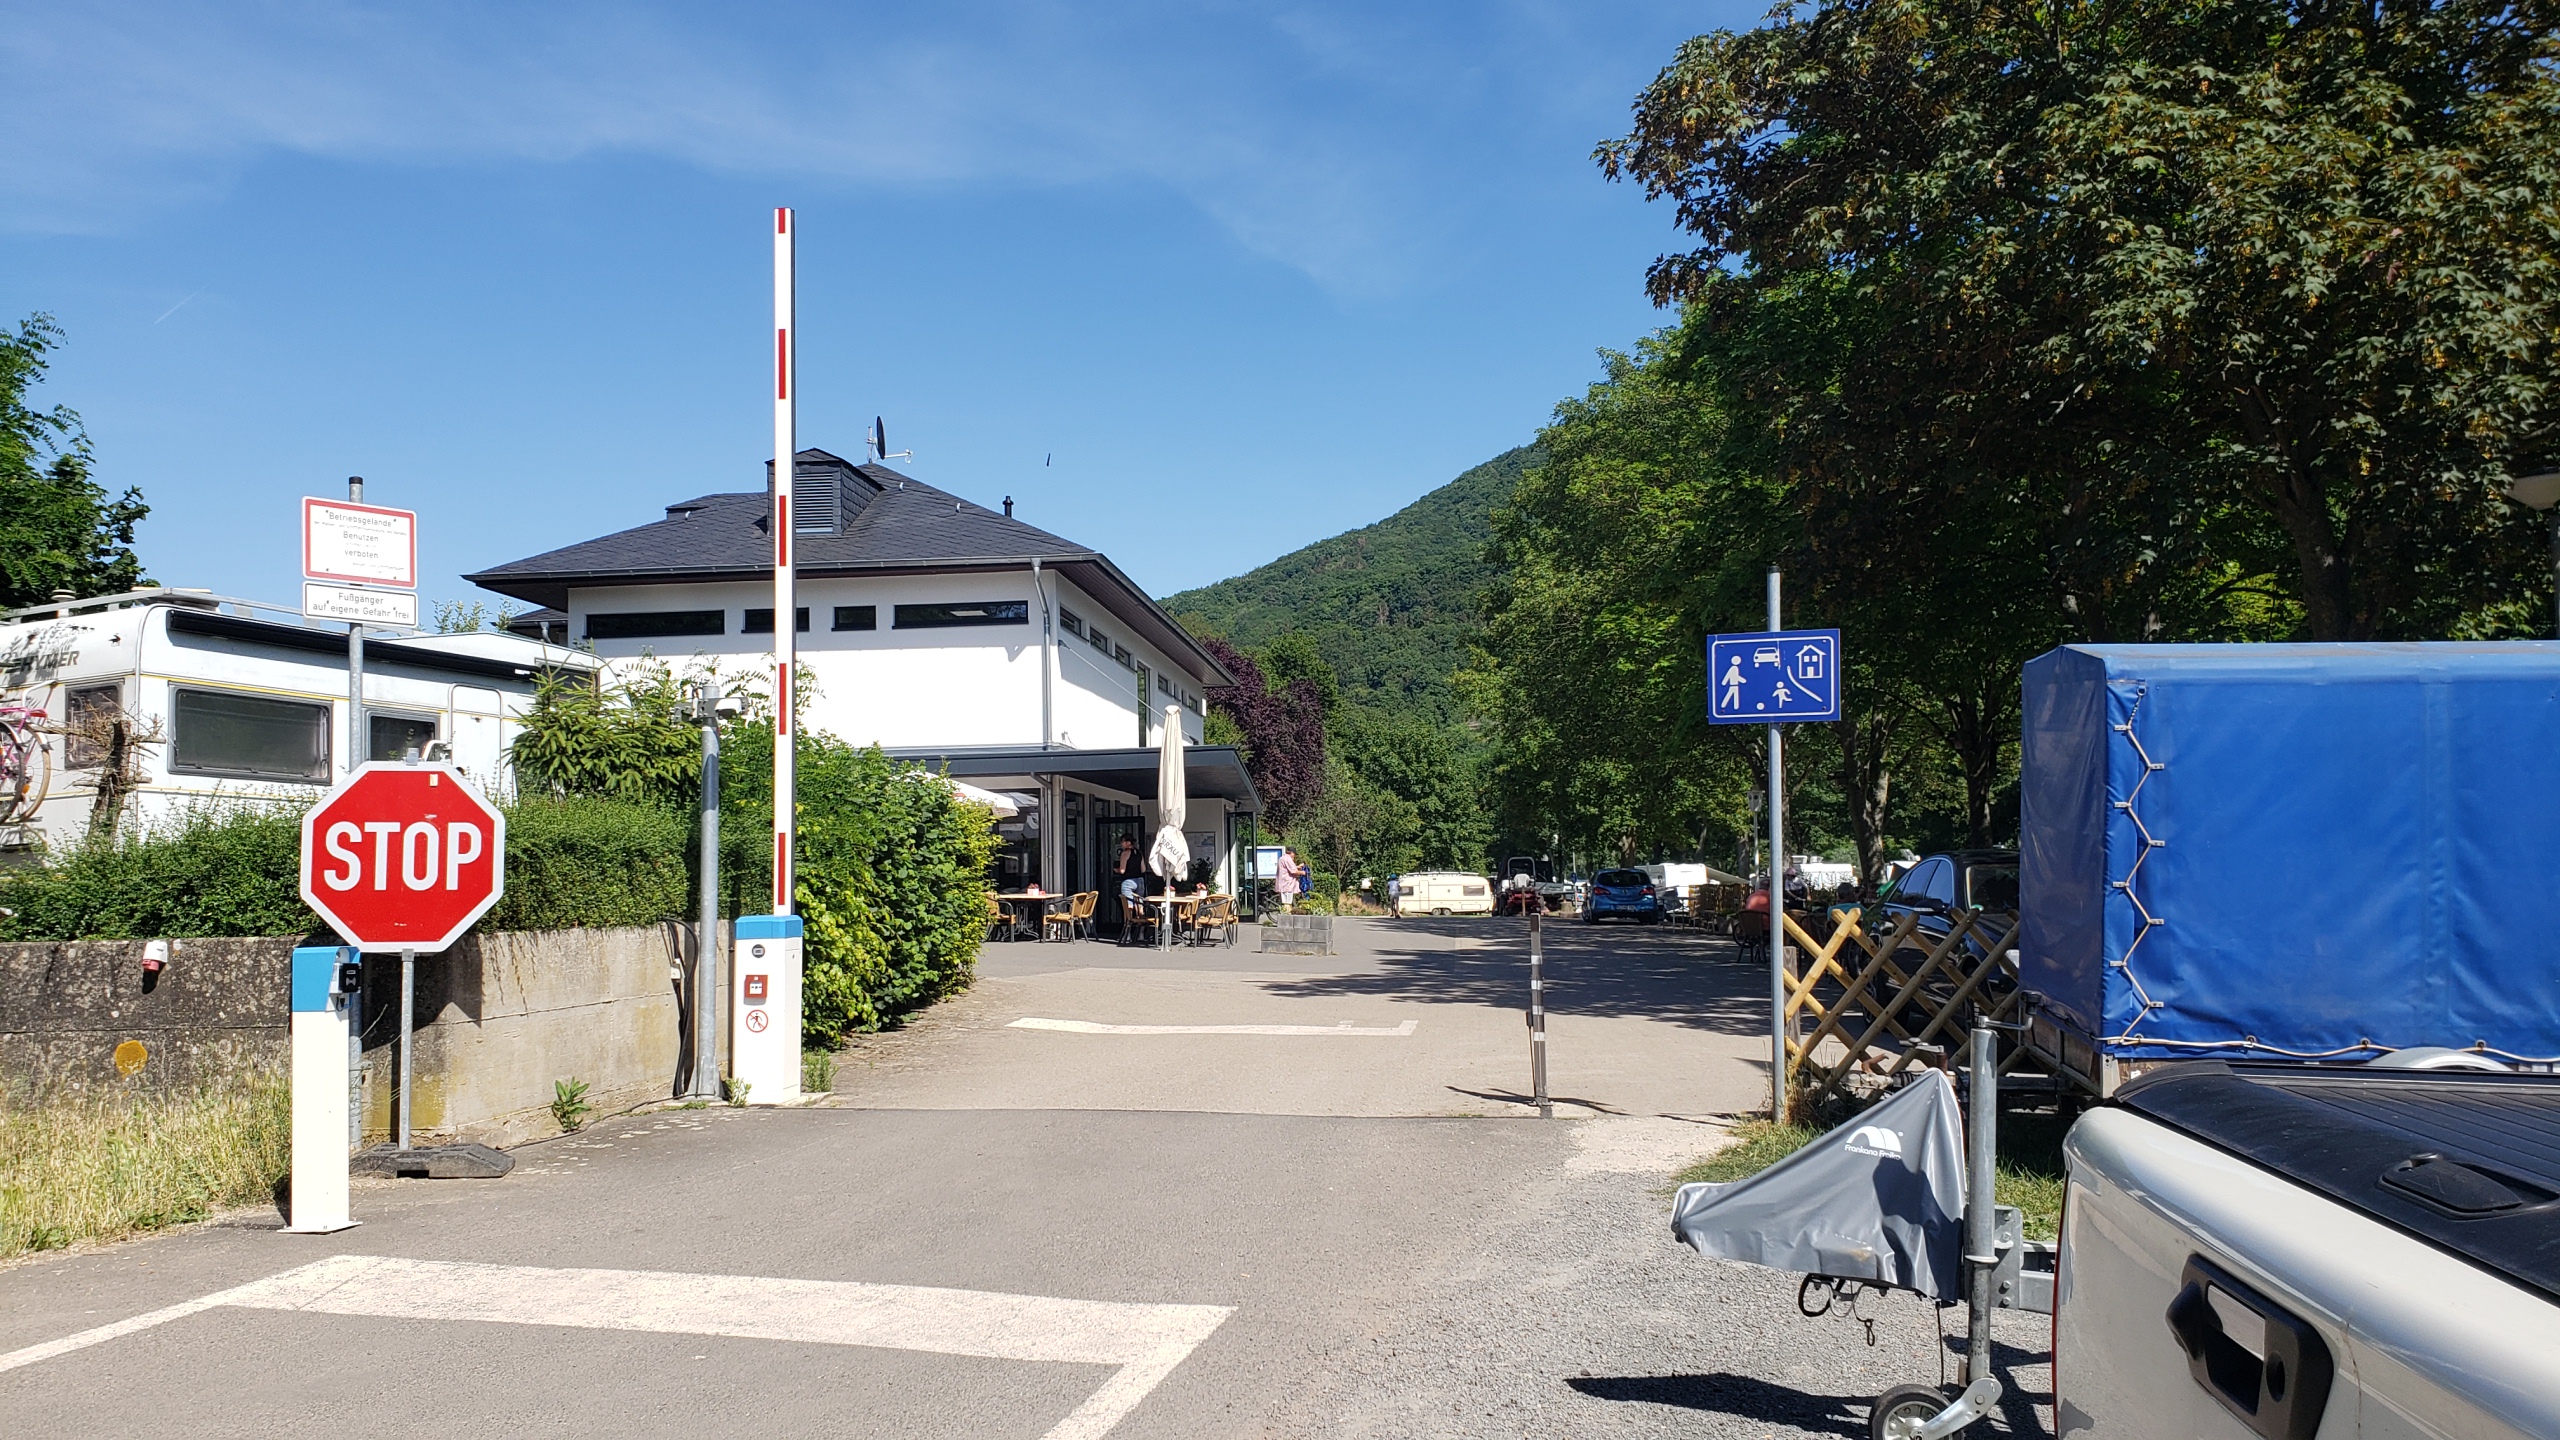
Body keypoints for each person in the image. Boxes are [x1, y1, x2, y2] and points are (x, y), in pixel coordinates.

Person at [1113, 835, 1147, 943]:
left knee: (1128, 908)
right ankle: (1141, 934)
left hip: (1128, 882)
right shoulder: (1139, 853)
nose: (1121, 844)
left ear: (1128, 843)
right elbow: (1143, 869)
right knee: (1140, 907)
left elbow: (1122, 870)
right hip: (1140, 881)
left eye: (1122, 841)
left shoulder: (1125, 853)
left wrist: (1116, 870)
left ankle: (1127, 935)